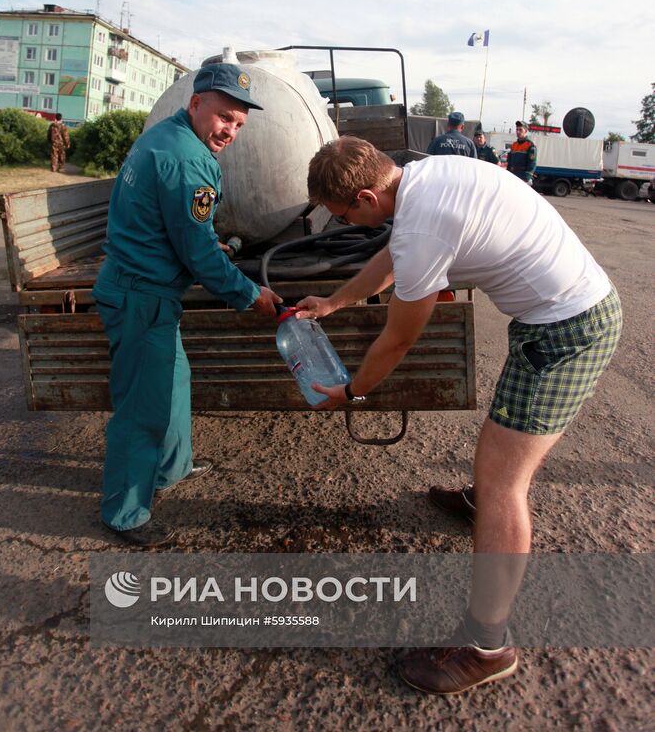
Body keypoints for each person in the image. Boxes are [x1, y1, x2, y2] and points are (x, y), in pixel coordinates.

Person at [297, 136, 621, 695]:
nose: (346, 222)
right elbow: (390, 255)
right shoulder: (424, 176)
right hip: (556, 316)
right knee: (497, 457)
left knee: (504, 481)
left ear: (369, 196)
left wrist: (352, 394)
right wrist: (335, 302)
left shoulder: (422, 226)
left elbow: (398, 340)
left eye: (345, 213)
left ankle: (486, 646)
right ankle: (479, 506)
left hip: (569, 329)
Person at [93, 62, 282, 547]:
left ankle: (171, 468)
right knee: (141, 409)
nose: (230, 131)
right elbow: (196, 252)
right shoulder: (186, 159)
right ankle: (124, 513)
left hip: (144, 288)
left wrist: (199, 246)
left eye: (239, 124)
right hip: (143, 296)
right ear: (196, 104)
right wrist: (249, 294)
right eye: (224, 118)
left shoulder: (164, 136)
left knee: (174, 382)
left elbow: (176, 228)